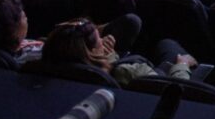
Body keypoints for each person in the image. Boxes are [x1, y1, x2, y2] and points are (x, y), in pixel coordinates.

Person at [42, 18, 198, 86]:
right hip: (163, 78)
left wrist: (107, 54)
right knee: (168, 44)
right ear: (92, 51)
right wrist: (182, 66)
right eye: (99, 40)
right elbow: (174, 90)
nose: (103, 41)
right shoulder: (126, 72)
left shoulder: (51, 63)